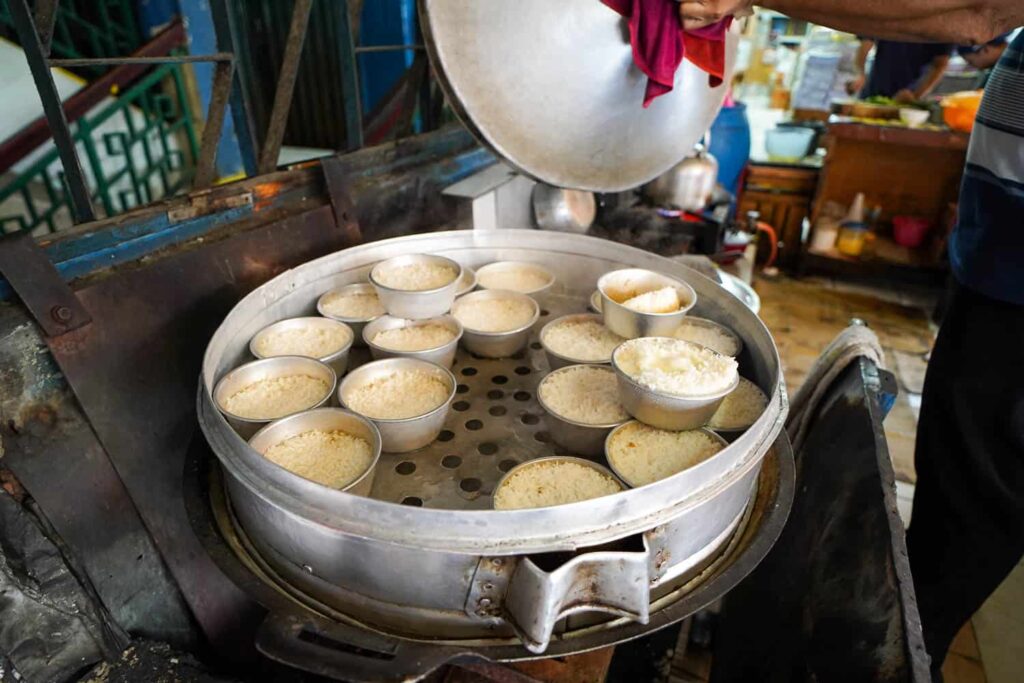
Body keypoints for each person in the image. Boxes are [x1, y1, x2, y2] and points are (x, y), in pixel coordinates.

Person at [678, 2, 1024, 679]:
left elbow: (975, 10)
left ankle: (874, 664)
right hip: (996, 273)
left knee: (951, 548)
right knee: (946, 514)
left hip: (1016, 300)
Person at [848, 38, 953, 102]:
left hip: (910, 94)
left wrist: (916, 95)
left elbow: (940, 64)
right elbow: (866, 44)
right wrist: (860, 74)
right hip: (873, 92)